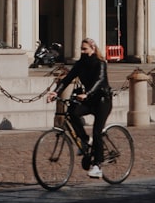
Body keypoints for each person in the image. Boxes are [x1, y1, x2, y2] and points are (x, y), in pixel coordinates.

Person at [47, 38, 113, 178]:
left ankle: (97, 166)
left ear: (93, 49)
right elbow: (68, 78)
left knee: (97, 132)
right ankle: (84, 139)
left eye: (85, 49)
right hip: (88, 100)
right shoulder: (81, 63)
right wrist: (56, 92)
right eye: (81, 49)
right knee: (72, 112)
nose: (82, 51)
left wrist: (87, 94)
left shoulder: (100, 63)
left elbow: (99, 81)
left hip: (102, 100)